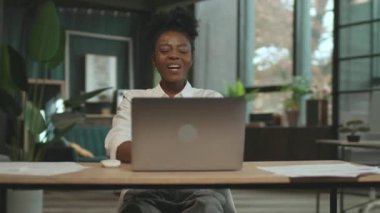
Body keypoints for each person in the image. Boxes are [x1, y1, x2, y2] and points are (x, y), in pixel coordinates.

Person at [105, 7, 231, 213]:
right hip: (145, 190)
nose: (174, 56)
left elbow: (222, 150)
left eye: (182, 50)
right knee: (137, 208)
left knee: (207, 206)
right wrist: (186, 153)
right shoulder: (134, 99)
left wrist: (154, 152)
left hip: (201, 190)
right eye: (165, 50)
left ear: (191, 57)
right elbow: (117, 145)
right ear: (154, 59)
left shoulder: (210, 99)